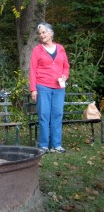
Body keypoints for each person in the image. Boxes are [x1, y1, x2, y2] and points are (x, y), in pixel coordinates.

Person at [29, 22, 70, 153]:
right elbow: (32, 70)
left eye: (44, 32)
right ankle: (43, 145)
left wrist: (64, 75)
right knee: (44, 115)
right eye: (39, 33)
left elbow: (66, 66)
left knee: (57, 115)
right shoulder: (37, 50)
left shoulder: (60, 48)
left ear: (51, 33)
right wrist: (33, 89)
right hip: (43, 87)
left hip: (59, 88)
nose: (41, 35)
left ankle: (56, 145)